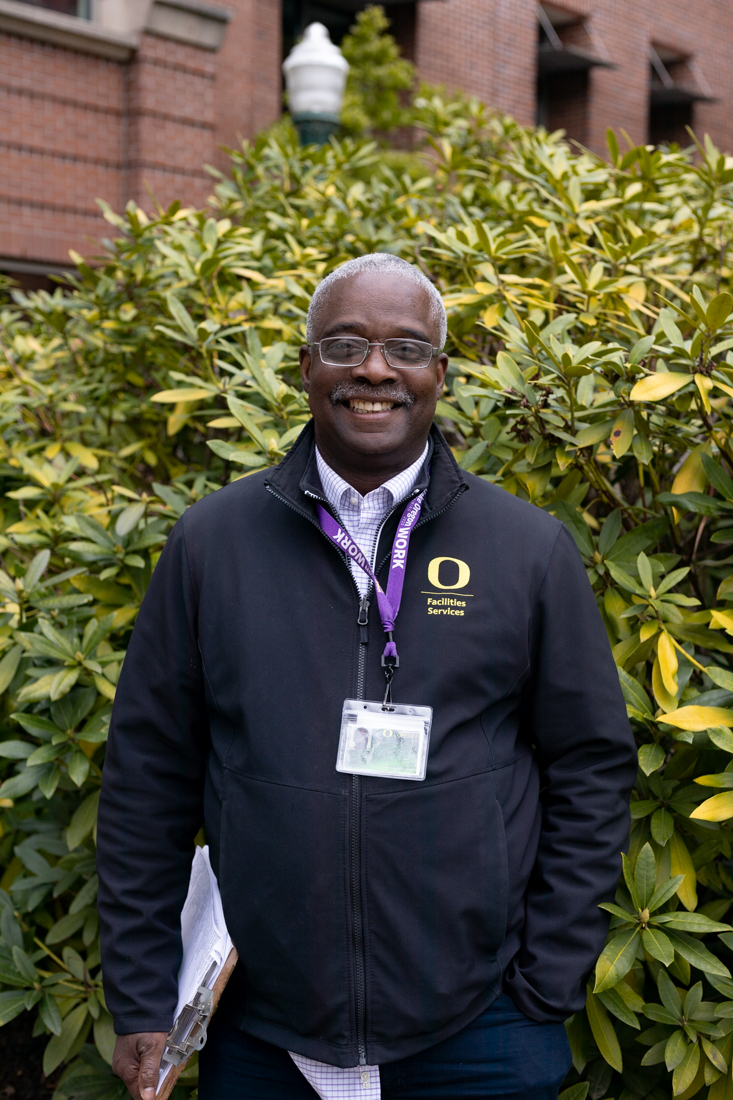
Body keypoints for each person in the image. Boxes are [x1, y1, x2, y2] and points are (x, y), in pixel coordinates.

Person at [97, 253, 637, 1100]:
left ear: (439, 375)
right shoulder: (211, 545)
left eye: (406, 348)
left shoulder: (526, 550)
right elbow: (146, 780)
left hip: (480, 1030)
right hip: (262, 1031)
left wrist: (547, 979)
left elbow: (590, 767)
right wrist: (138, 994)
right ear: (307, 366)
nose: (375, 369)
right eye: (344, 344)